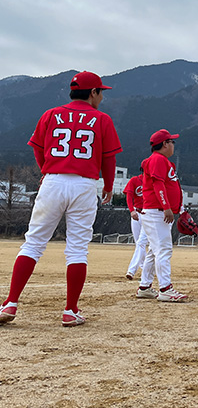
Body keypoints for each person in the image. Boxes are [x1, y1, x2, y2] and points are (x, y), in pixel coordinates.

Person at [0, 71, 122, 326]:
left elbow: (37, 146)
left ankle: (10, 302)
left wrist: (46, 169)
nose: (102, 97)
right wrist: (108, 186)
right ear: (92, 93)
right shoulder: (102, 119)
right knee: (77, 248)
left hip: (53, 181)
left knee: (32, 244)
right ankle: (70, 310)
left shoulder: (50, 114)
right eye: (101, 92)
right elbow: (108, 158)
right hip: (84, 184)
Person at [135, 129, 188, 302]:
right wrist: (166, 207)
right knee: (164, 250)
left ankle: (144, 287)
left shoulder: (162, 161)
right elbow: (158, 185)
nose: (173, 145)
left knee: (154, 252)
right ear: (164, 144)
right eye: (172, 142)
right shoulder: (158, 159)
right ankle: (165, 289)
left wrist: (177, 208)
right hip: (157, 212)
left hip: (158, 213)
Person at [123, 169, 147, 281]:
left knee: (141, 244)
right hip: (137, 213)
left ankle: (131, 270)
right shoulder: (135, 180)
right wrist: (131, 210)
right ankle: (145, 268)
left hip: (149, 215)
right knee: (138, 243)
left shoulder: (154, 181)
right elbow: (129, 196)